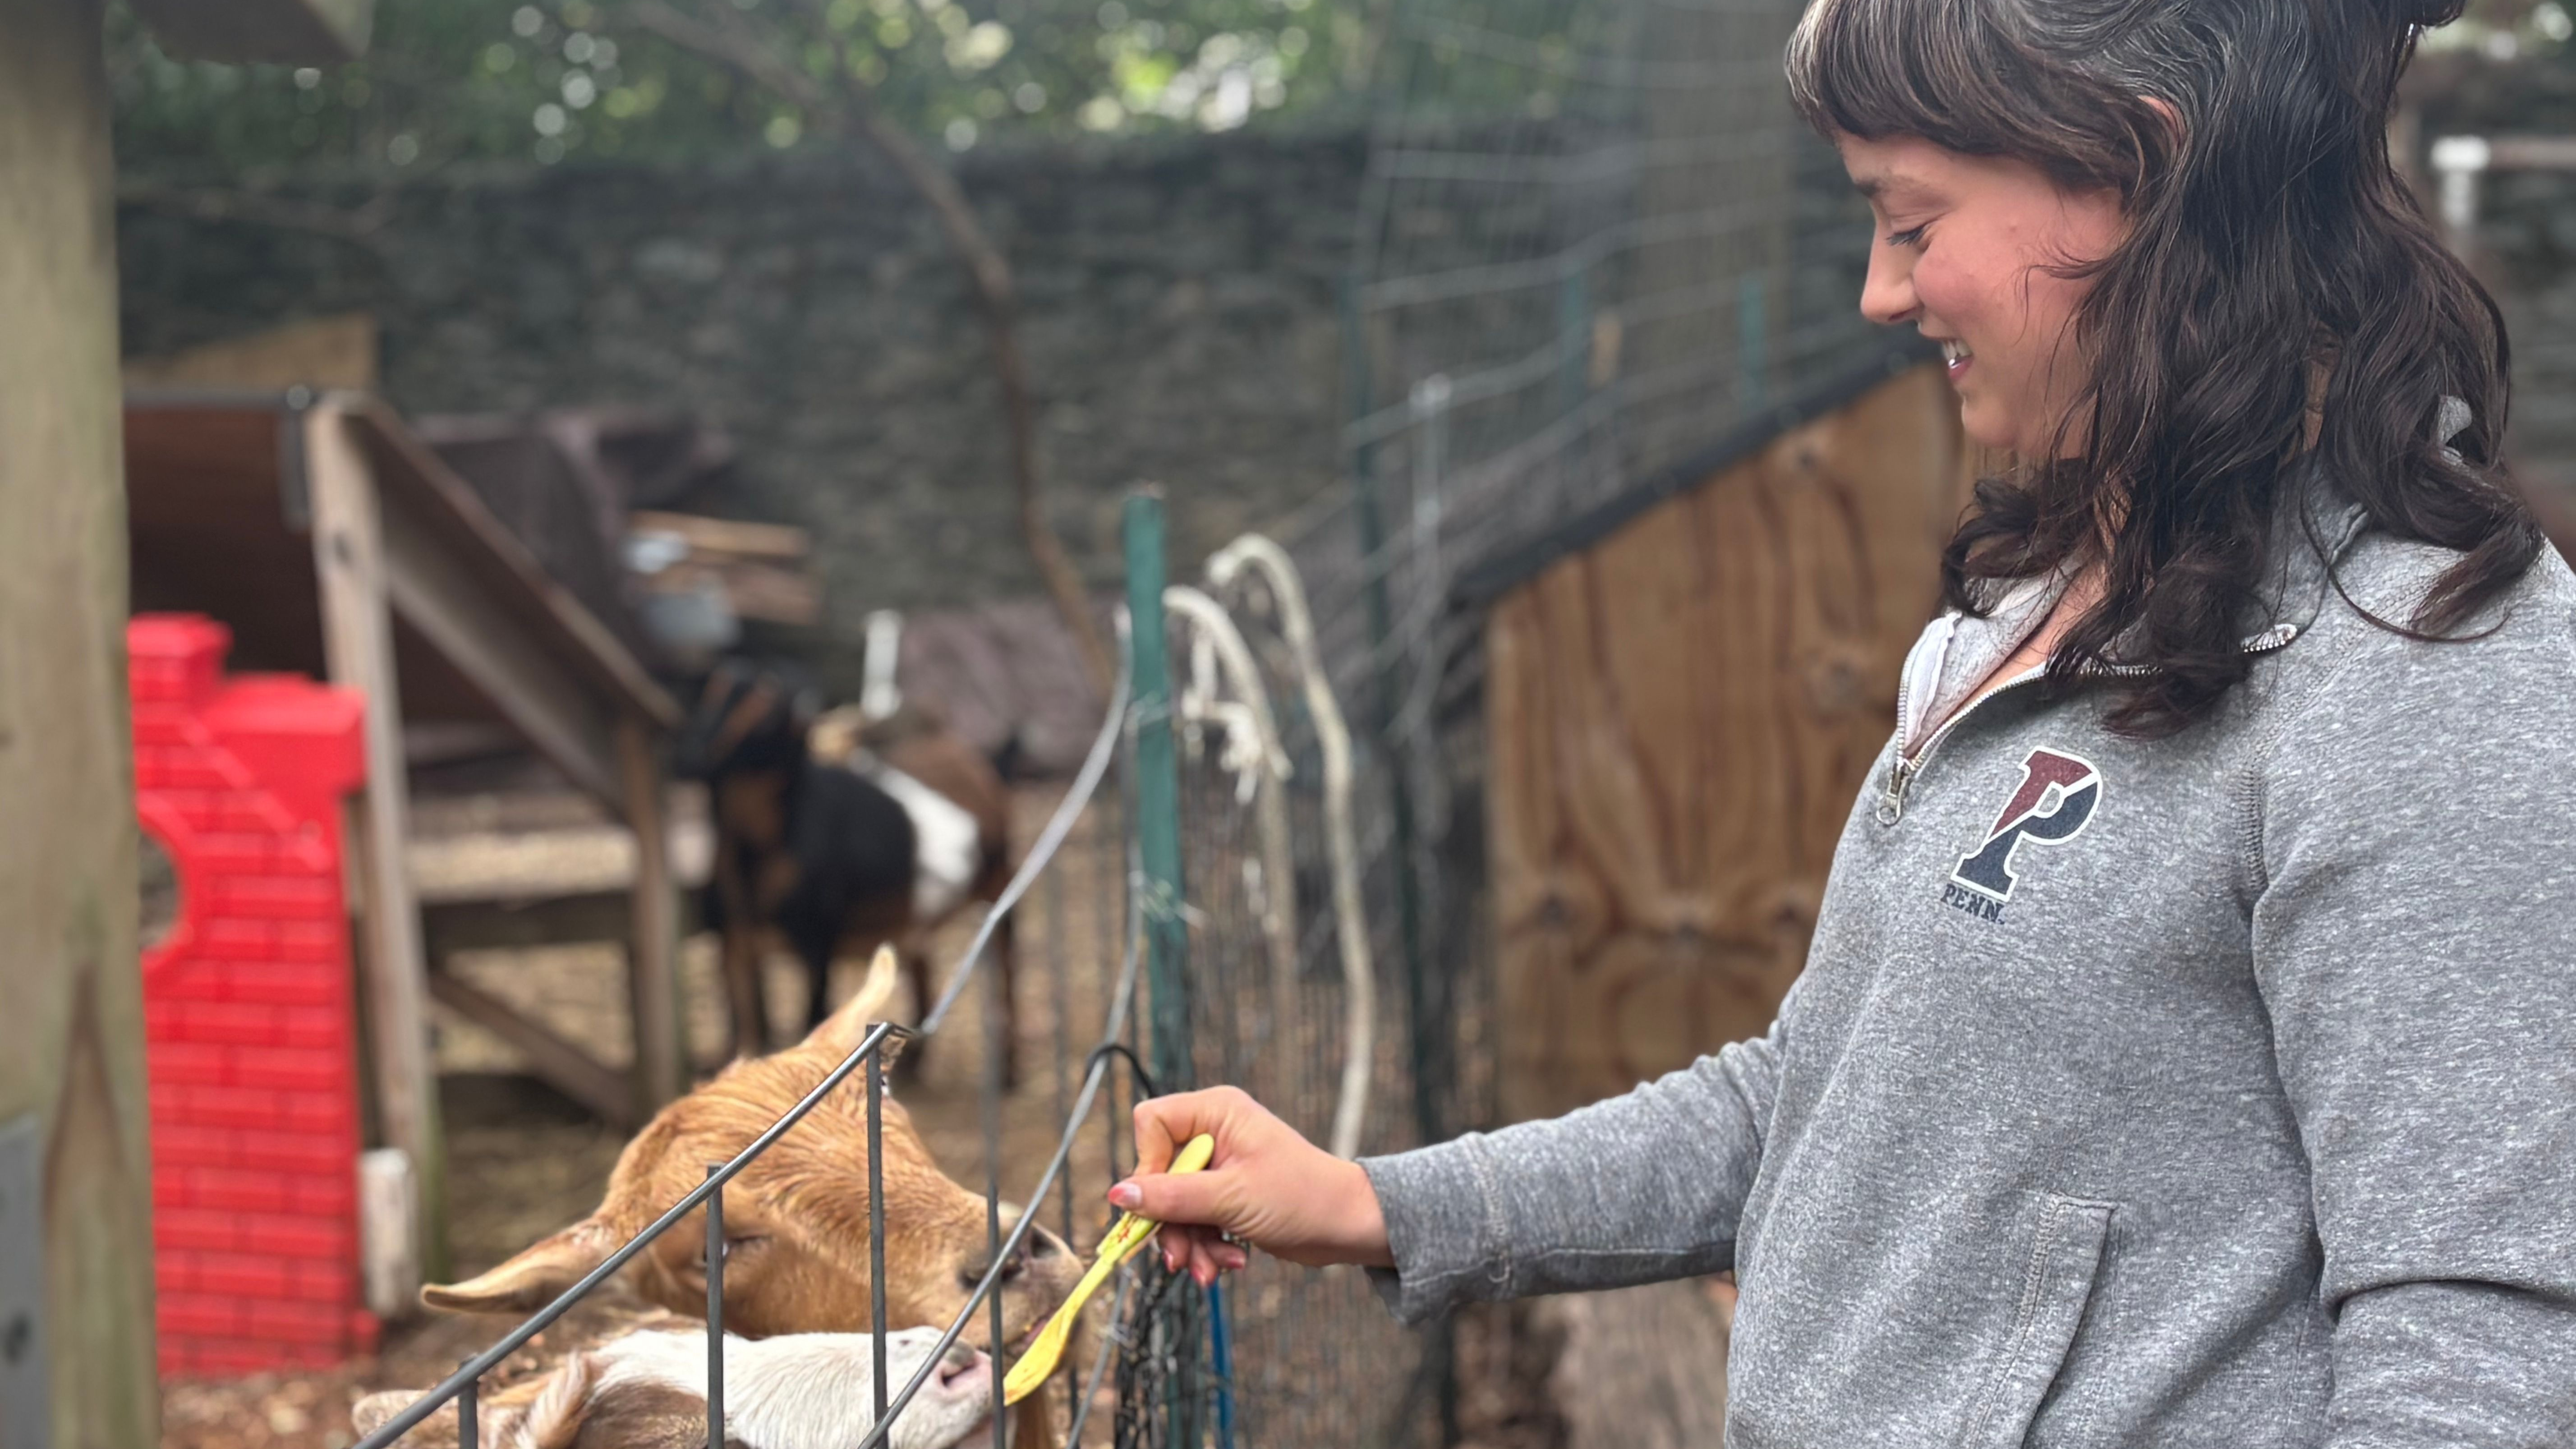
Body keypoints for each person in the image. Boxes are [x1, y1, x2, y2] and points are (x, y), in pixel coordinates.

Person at [1106, 0, 2576, 1443]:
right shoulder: (2037, 606)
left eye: (1914, 220)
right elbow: (1829, 1097)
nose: (1883, 291)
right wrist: (1375, 1204)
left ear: (2138, 175)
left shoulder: (2429, 673)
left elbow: (2483, 1342)